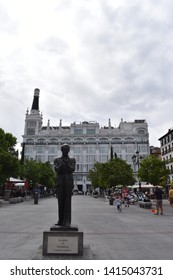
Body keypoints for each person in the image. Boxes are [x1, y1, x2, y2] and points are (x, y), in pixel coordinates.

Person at [54, 144, 76, 227]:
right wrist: (61, 165)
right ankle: (60, 220)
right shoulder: (57, 160)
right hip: (60, 183)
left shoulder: (72, 160)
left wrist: (66, 165)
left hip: (68, 182)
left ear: (69, 150)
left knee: (67, 201)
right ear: (61, 150)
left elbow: (72, 169)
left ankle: (67, 221)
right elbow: (56, 169)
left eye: (67, 149)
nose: (65, 151)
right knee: (60, 202)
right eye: (64, 149)